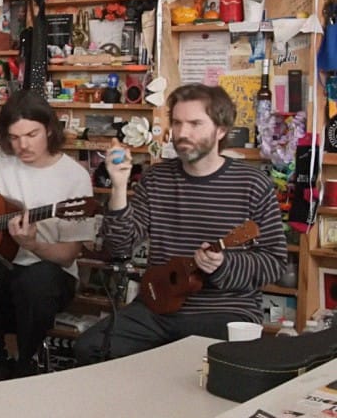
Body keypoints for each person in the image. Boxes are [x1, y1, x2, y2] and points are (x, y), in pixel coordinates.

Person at [75, 83, 286, 363]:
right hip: (157, 306)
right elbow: (119, 247)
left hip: (223, 310)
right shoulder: (155, 178)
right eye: (177, 123)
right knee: (89, 347)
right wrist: (118, 188)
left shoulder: (253, 184)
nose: (182, 133)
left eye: (195, 123)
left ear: (221, 130)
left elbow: (274, 263)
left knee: (202, 366)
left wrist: (224, 265)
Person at [0, 91, 94, 381]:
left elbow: (67, 256)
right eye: (14, 137)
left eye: (32, 134)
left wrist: (33, 244)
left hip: (48, 277)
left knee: (34, 281)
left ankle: (27, 365)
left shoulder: (74, 177)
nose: (22, 145)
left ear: (49, 129)